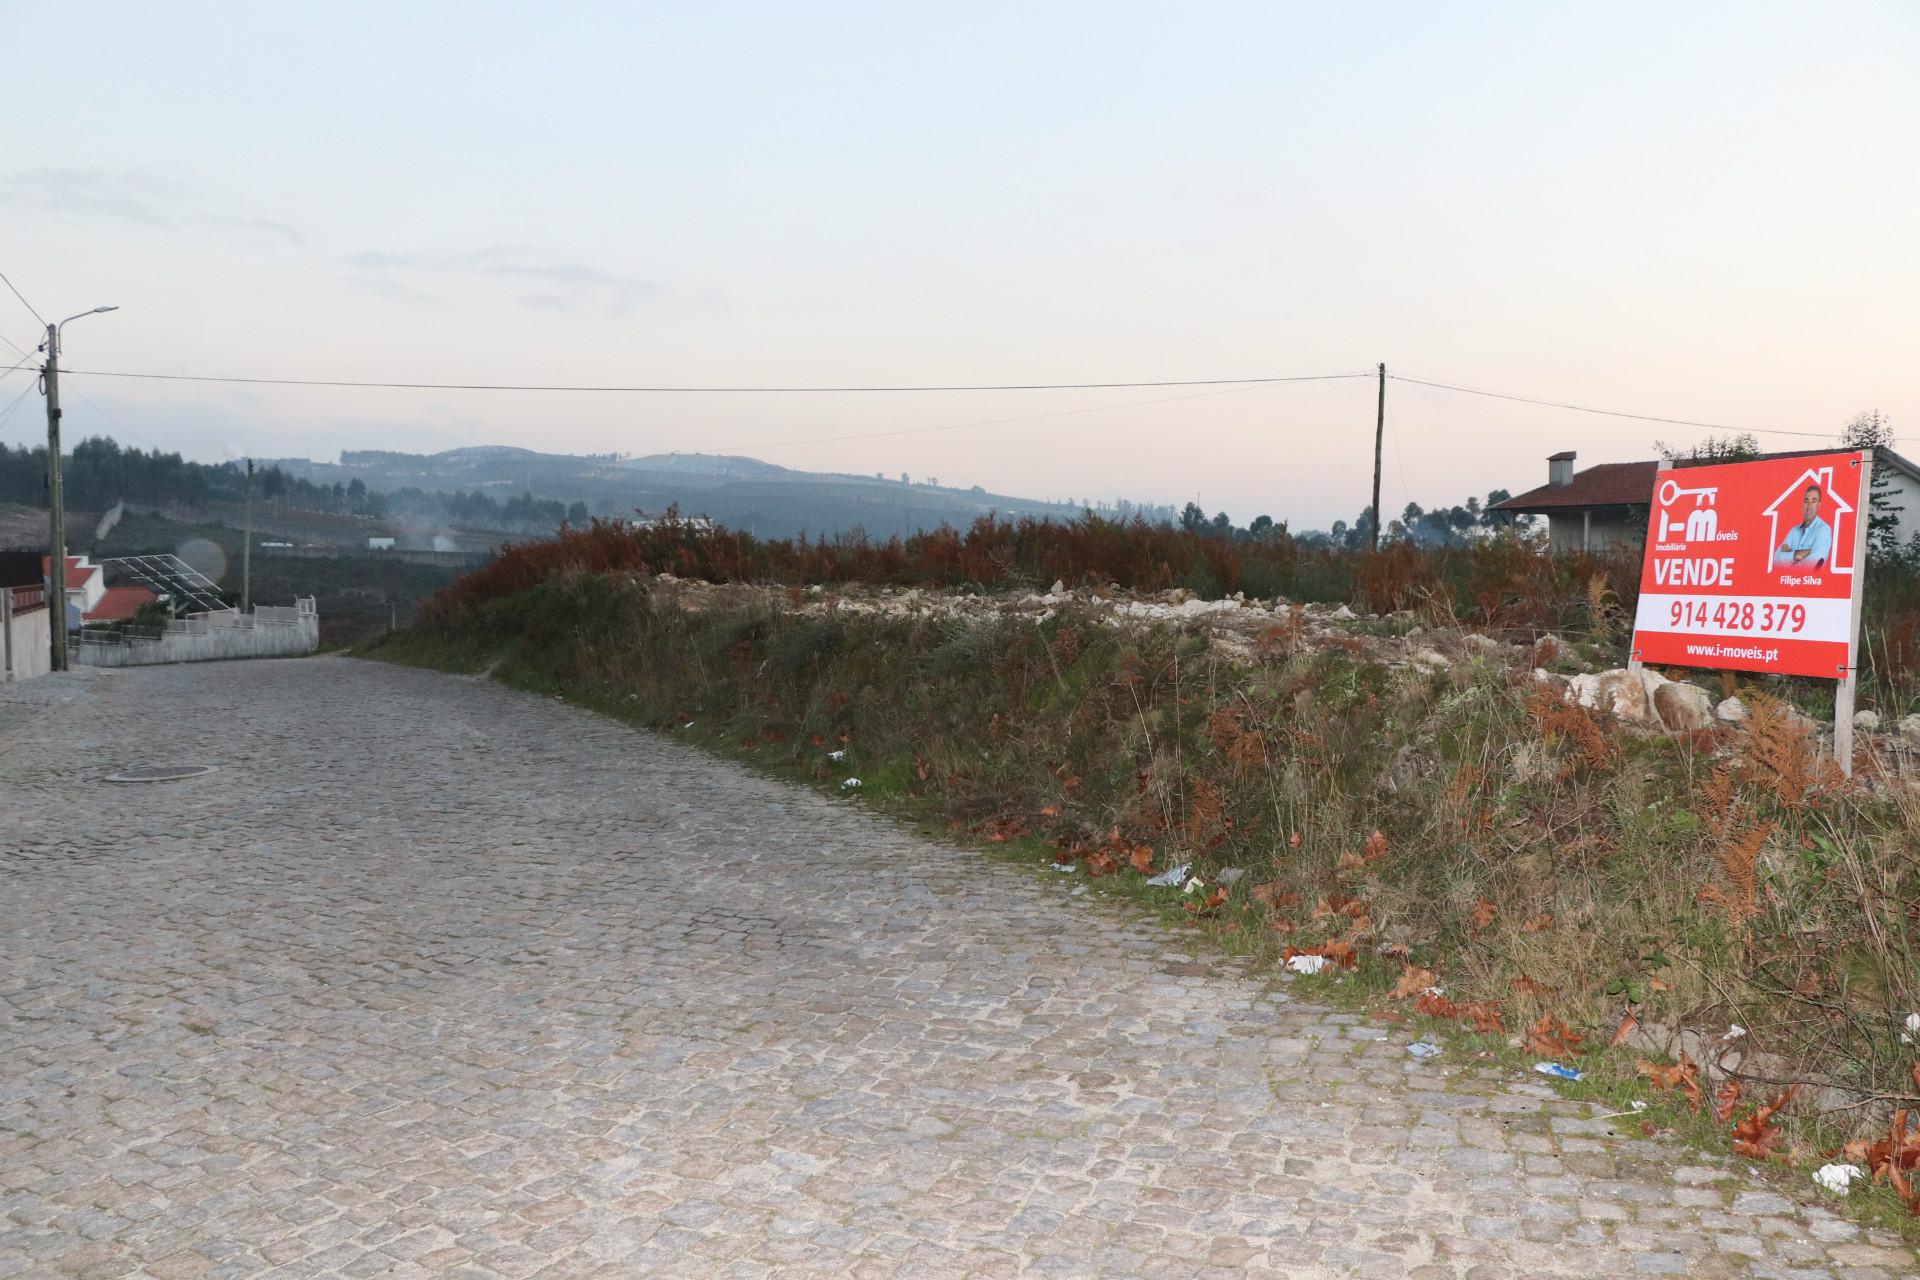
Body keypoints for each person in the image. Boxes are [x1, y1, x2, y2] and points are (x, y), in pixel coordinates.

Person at [1774, 483, 1832, 569]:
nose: (1809, 506)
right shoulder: (1794, 531)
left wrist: (1788, 556)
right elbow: (1776, 560)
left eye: (1813, 501)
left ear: (1819, 505)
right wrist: (1796, 554)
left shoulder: (1824, 530)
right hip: (1788, 581)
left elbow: (1813, 566)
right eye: (1806, 501)